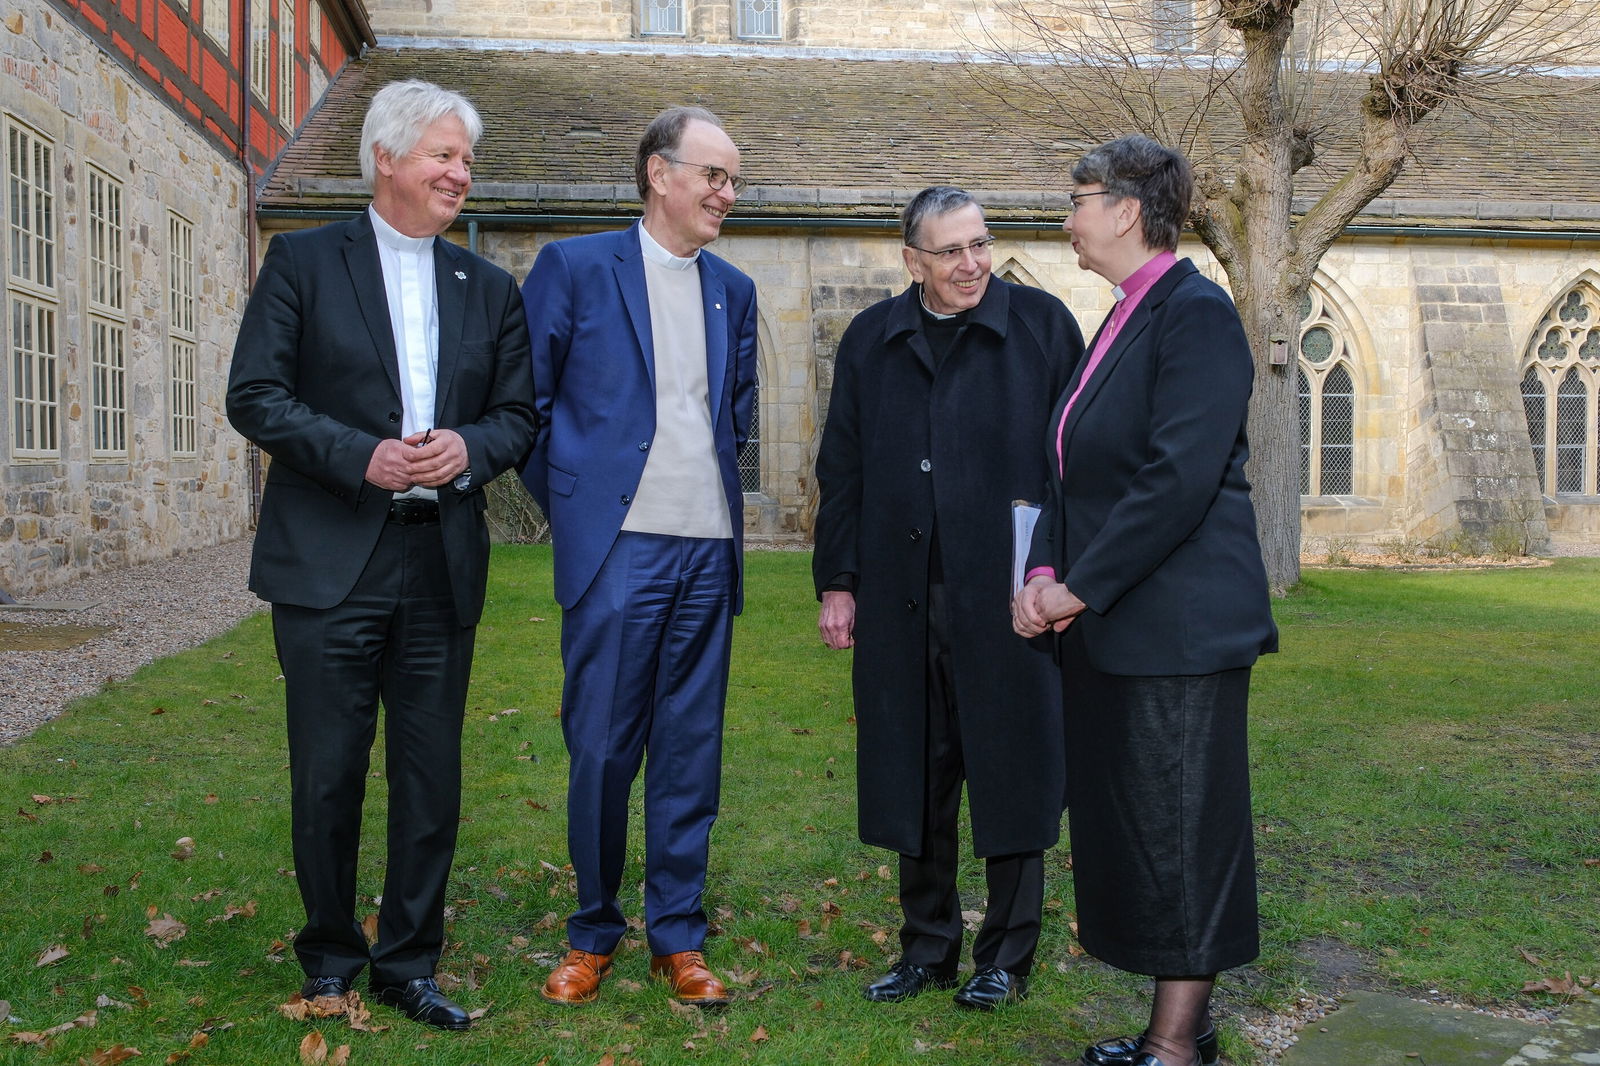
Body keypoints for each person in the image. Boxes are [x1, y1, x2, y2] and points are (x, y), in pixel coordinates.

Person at [226, 80, 537, 1030]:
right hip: (330, 562)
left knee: (429, 774)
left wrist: (469, 452)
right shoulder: (304, 263)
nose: (460, 174)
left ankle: (409, 962)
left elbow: (519, 416)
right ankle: (329, 955)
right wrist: (360, 455)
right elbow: (256, 396)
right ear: (387, 159)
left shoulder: (488, 287)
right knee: (325, 772)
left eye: (468, 160)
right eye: (445, 155)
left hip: (439, 559)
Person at [1012, 135, 1278, 1066]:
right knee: (1146, 828)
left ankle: (1175, 1049)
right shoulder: (1125, 316)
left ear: (1127, 209)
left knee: (1184, 830)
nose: (1068, 219)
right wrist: (1043, 573)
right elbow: (1070, 470)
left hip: (1181, 630)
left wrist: (1079, 585)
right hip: (1122, 626)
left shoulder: (1195, 313)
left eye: (1077, 199)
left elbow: (1177, 479)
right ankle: (1177, 1031)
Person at [813, 187, 1085, 1010]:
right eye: (950, 251)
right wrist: (837, 581)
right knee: (913, 772)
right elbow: (843, 469)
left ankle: (1007, 953)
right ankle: (926, 947)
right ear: (912, 262)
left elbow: (1078, 469)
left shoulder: (1042, 328)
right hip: (901, 598)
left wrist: (1060, 573)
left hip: (1010, 601)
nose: (971, 264)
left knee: (1011, 767)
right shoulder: (872, 339)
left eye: (979, 245)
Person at [519, 106, 758, 1008]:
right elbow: (527, 407)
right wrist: (584, 514)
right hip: (618, 552)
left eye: (732, 180)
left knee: (691, 751)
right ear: (661, 175)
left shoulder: (732, 288)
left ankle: (678, 939)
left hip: (707, 551)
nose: (726, 194)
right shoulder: (576, 267)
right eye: (714, 176)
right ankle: (591, 933)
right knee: (603, 752)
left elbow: (733, 417)